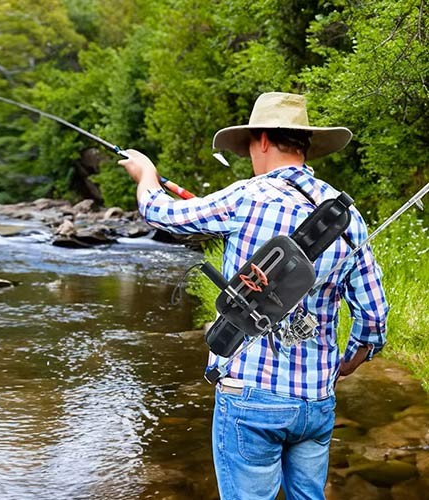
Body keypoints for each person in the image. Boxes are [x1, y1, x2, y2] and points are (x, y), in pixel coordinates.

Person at [119, 92, 388, 500]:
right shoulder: (344, 216)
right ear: (305, 145)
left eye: (249, 144)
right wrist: (349, 361)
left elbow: (163, 214)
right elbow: (373, 317)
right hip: (316, 400)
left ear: (261, 139)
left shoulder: (247, 196)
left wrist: (146, 177)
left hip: (250, 393)